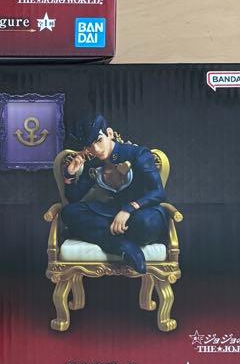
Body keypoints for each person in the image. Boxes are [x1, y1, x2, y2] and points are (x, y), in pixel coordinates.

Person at [60, 114, 169, 275]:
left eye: (99, 141)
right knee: (68, 212)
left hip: (142, 212)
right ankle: (122, 246)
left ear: (109, 133)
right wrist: (69, 174)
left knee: (146, 224)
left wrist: (128, 209)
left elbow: (159, 192)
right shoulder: (93, 163)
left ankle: (98, 235)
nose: (96, 150)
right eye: (89, 146)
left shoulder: (138, 154)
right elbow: (73, 198)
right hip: (111, 215)